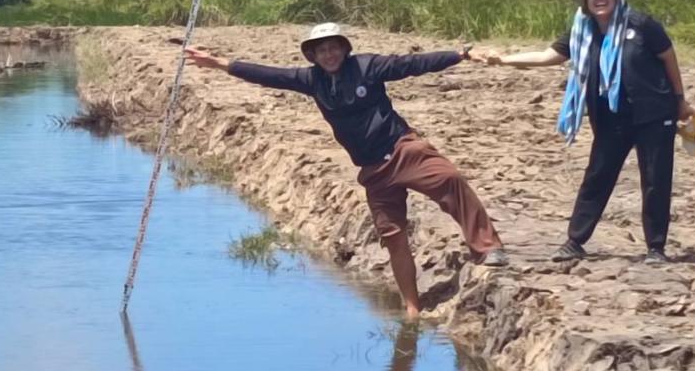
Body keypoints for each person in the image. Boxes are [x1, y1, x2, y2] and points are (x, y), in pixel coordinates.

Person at [185, 23, 507, 320]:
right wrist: (218, 63)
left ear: (344, 48)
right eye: (321, 50)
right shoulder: (311, 80)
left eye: (333, 48)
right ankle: (412, 307)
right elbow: (268, 74)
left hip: (402, 149)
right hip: (372, 171)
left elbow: (412, 64)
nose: (329, 55)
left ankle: (487, 246)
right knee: (393, 237)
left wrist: (460, 55)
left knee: (450, 179)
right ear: (313, 55)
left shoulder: (367, 67)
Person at [483, 0, 695, 264]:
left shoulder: (642, 25)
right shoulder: (582, 31)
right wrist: (504, 59)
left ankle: (655, 248)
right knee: (597, 177)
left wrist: (680, 100)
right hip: (610, 117)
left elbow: (668, 58)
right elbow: (548, 57)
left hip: (654, 114)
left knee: (656, 181)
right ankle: (575, 241)